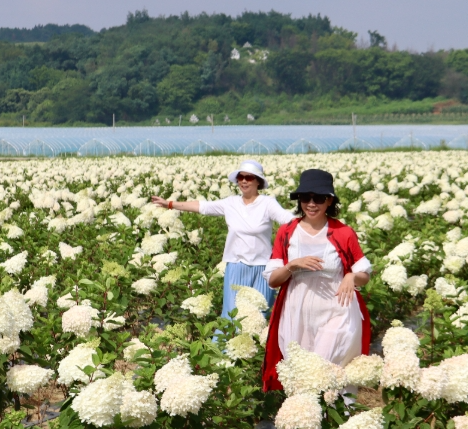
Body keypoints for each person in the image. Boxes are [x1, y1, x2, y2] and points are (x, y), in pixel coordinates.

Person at [261, 169, 373, 393]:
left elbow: (364, 274)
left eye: (319, 198)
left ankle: (337, 417)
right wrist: (292, 265)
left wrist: (351, 276)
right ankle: (311, 423)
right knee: (301, 376)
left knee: (326, 368)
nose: (311, 204)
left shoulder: (343, 232)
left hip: (337, 311)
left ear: (329, 200)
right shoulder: (286, 233)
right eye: (306, 198)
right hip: (296, 314)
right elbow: (273, 281)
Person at [151, 160, 294, 320]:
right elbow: (201, 206)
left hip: (263, 267)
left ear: (258, 181)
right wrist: (169, 204)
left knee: (259, 315)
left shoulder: (267, 203)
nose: (244, 181)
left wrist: (315, 227)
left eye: (249, 177)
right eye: (241, 177)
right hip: (236, 265)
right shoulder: (230, 203)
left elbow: (288, 220)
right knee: (232, 316)